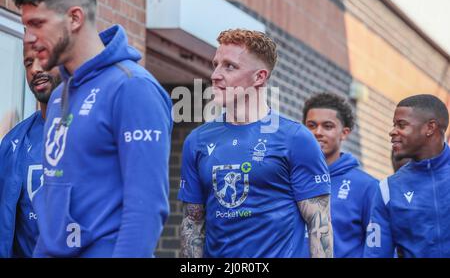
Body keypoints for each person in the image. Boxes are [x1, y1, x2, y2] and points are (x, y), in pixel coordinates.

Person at [13, 0, 172, 257]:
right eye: (25, 27)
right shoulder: (60, 96)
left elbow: (145, 209)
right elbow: (51, 215)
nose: (29, 40)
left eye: (37, 24)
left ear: (74, 18)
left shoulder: (133, 89)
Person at [178, 29, 333, 258]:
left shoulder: (296, 138)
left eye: (229, 66)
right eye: (216, 64)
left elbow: (319, 224)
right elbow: (192, 225)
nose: (216, 75)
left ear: (259, 77)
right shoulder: (197, 141)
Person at [364, 94, 450, 258]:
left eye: (401, 125)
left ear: (430, 128)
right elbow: (375, 254)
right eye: (394, 125)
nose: (392, 132)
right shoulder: (388, 188)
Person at [0, 43, 61, 258]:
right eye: (28, 63)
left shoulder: (95, 132)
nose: (35, 68)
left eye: (43, 58)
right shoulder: (13, 143)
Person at [302, 93, 378, 257]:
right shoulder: (287, 179)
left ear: (344, 133)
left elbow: (377, 248)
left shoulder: (367, 187)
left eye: (328, 126)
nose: (318, 132)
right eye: (311, 125)